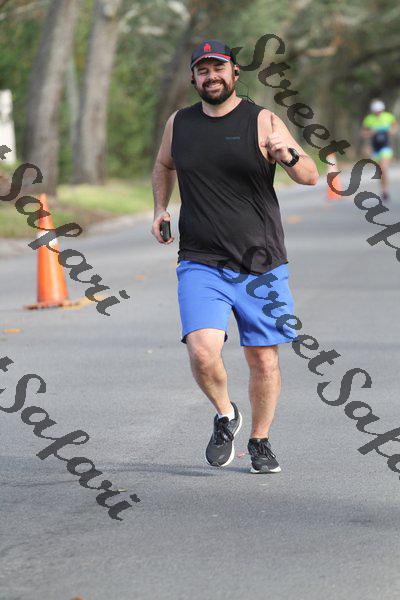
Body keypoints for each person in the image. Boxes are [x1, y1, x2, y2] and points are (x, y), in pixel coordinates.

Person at [151, 40, 318, 474]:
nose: (212, 77)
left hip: (262, 264)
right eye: (203, 70)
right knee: (202, 351)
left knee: (263, 358)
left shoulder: (262, 120)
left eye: (218, 68)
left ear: (234, 73)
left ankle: (260, 440)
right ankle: (226, 414)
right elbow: (164, 165)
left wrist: (288, 155)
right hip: (200, 259)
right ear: (193, 78)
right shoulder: (179, 123)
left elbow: (309, 176)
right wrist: (159, 209)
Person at [362, 99, 397, 201]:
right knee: (380, 171)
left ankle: (385, 190)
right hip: (375, 148)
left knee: (384, 167)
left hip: (386, 147)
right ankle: (383, 189)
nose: (378, 113)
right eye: (376, 111)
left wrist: (391, 131)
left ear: (382, 109)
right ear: (373, 111)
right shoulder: (369, 119)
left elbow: (395, 128)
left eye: (380, 111)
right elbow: (363, 133)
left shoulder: (388, 117)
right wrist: (371, 132)